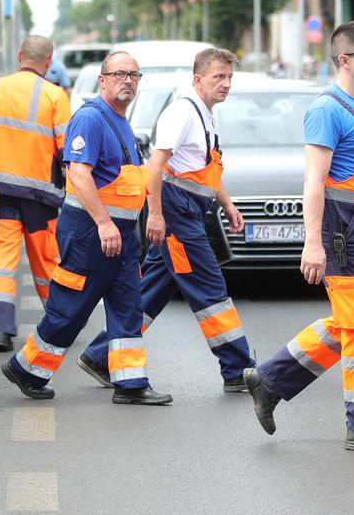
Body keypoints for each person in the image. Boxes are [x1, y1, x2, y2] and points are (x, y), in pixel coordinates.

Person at [244, 21, 354, 454]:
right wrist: (312, 243)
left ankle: (269, 378)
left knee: (352, 321)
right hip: (343, 231)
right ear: (344, 59)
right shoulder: (327, 110)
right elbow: (314, 182)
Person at [78, 47, 253, 394]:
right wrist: (156, 216)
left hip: (186, 211)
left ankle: (101, 355)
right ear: (198, 79)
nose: (226, 84)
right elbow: (156, 167)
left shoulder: (207, 113)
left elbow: (205, 172)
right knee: (209, 289)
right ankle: (238, 369)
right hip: (176, 214)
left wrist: (228, 205)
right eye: (219, 76)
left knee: (151, 292)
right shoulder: (183, 113)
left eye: (230, 77)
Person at [3, 51, 172, 406]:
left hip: (120, 237)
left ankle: (130, 382)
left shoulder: (122, 122)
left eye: (133, 75)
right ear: (103, 79)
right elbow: (78, 175)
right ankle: (26, 367)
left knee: (128, 305)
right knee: (71, 308)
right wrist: (104, 223)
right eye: (119, 74)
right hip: (91, 233)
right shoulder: (91, 119)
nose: (127, 80)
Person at [0, 35, 71, 352]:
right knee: (46, 261)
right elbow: (66, 150)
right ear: (49, 62)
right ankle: (58, 325)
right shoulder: (55, 96)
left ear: (19, 55)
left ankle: (1, 330)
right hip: (38, 196)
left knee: (1, 262)